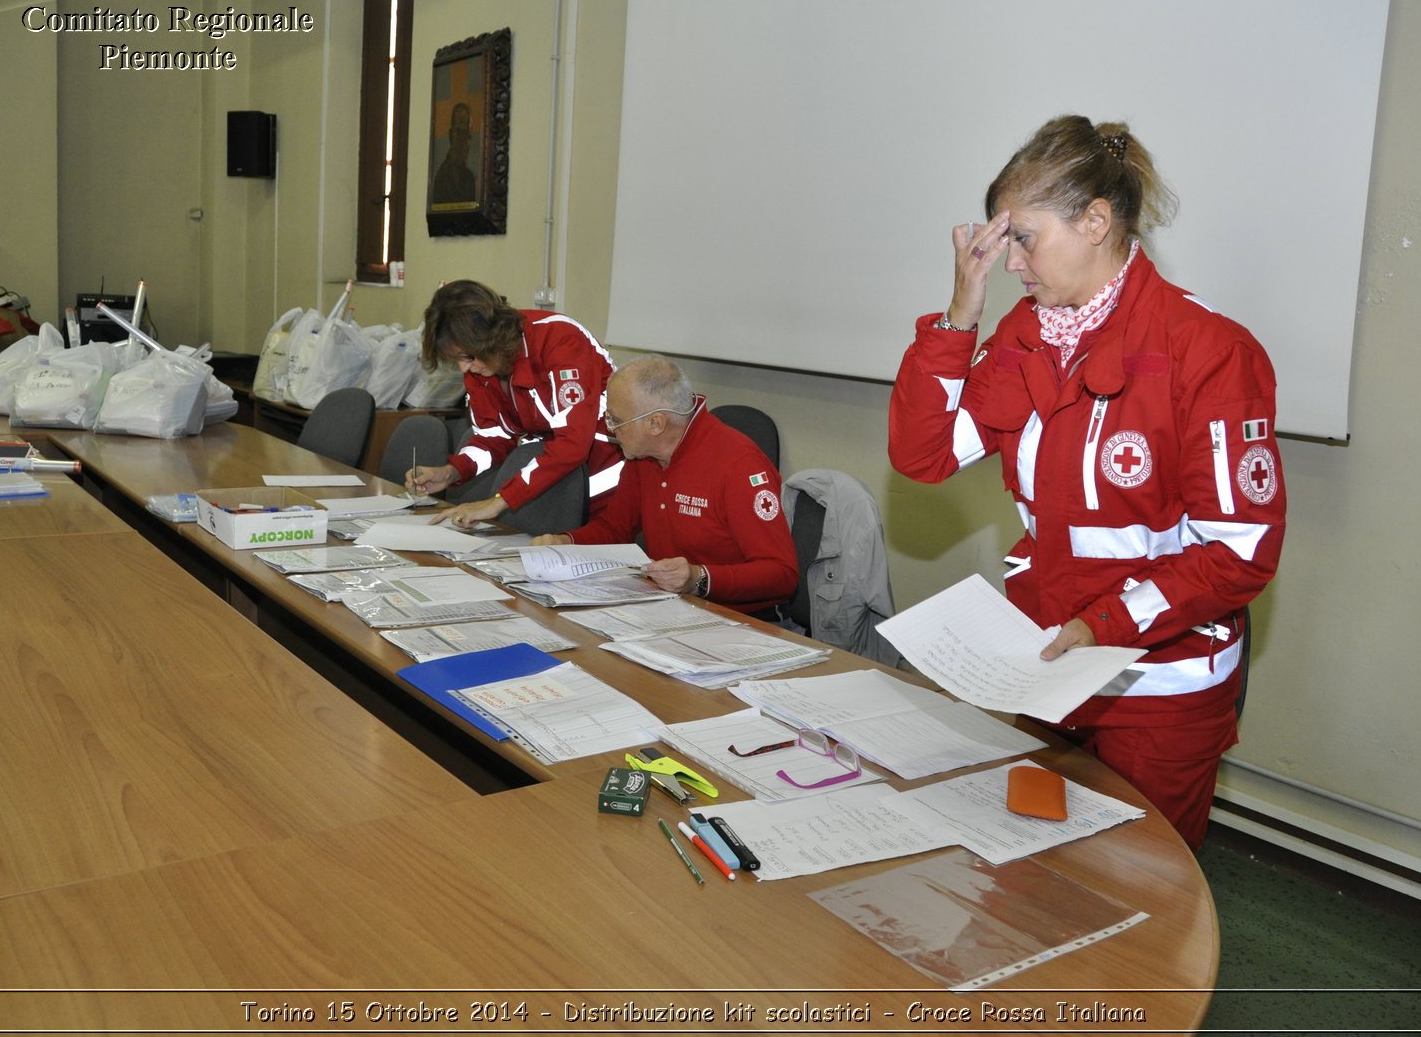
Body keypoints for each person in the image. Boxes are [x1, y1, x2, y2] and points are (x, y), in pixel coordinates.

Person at [888, 115, 1286, 851]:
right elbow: (926, 455)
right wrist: (957, 319)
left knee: (1141, 901)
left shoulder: (1209, 351)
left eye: (1024, 237)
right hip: (1050, 670)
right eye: (1003, 241)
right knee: (1040, 875)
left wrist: (1105, 624)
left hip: (1156, 687)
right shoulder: (1024, 331)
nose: (1011, 263)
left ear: (1096, 221)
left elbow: (1241, 552)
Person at [533, 354, 797, 613]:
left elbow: (782, 575)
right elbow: (614, 529)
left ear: (656, 424)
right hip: (669, 607)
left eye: (616, 420)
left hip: (739, 620)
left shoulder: (739, 465)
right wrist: (566, 542)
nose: (610, 428)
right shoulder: (643, 456)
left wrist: (698, 578)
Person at [407, 280, 622, 527]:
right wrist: (452, 471)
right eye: (456, 359)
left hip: (606, 488)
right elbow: (492, 437)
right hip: (549, 485)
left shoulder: (560, 340)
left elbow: (572, 444)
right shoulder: (479, 366)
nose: (463, 368)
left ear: (490, 339)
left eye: (467, 357)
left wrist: (499, 501)